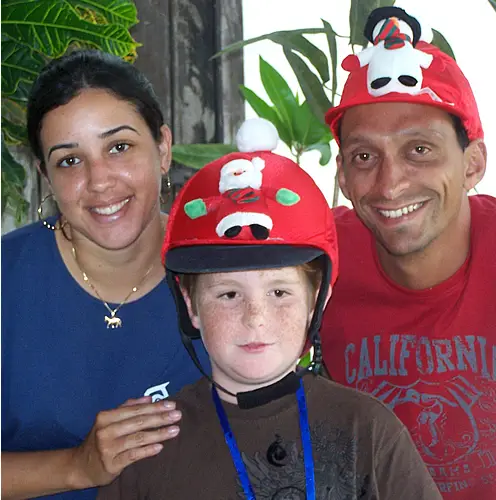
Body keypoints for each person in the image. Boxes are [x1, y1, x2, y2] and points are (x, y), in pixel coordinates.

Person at [97, 118, 442, 499]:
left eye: (279, 292)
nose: (255, 318)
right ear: (191, 306)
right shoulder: (150, 449)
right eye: (229, 295)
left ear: (316, 300)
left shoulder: (368, 430)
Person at [1, 49, 209, 500]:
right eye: (69, 161)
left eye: (119, 147)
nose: (99, 181)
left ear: (163, 147)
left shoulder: (222, 267)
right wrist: (77, 467)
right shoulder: (8, 280)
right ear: (45, 175)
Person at [321, 6, 495, 499]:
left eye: (419, 149)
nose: (390, 184)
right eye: (364, 157)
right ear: (343, 176)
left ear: (472, 164)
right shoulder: (314, 259)